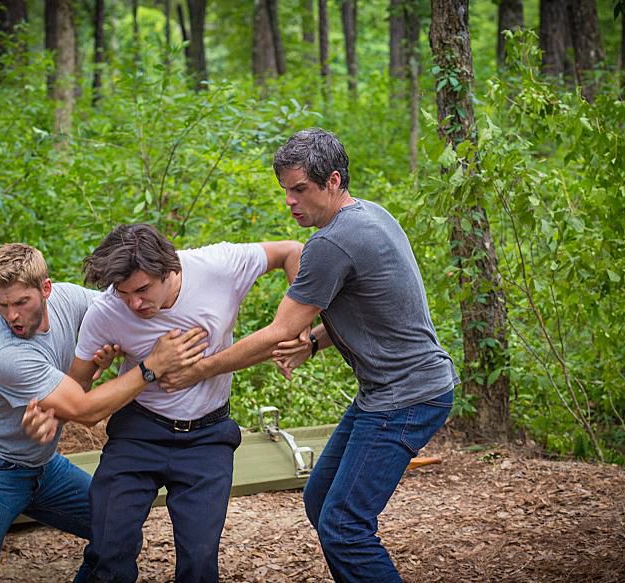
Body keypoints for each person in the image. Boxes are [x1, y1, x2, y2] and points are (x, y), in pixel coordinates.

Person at [160, 128, 459, 582]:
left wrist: (200, 370)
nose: (289, 201)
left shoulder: (331, 243)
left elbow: (280, 331)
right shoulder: (372, 216)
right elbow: (370, 311)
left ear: (334, 181)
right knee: (321, 500)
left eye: (300, 189)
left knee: (343, 526)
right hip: (395, 392)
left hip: (406, 399)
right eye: (285, 191)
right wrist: (316, 342)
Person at [22, 223, 302, 583]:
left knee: (200, 562)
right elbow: (76, 385)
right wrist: (51, 413)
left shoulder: (218, 265)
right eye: (123, 293)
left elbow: (292, 251)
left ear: (170, 269)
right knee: (109, 547)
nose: (135, 304)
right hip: (139, 431)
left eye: (142, 290)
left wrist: (298, 329)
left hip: (207, 435)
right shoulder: (106, 311)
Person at [0, 243, 206, 583]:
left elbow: (120, 312)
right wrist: (151, 366)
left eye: (21, 302)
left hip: (44, 467)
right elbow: (85, 411)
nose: (12, 316)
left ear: (46, 289)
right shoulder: (4, 354)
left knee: (116, 536)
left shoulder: (69, 300)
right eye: (2, 305)